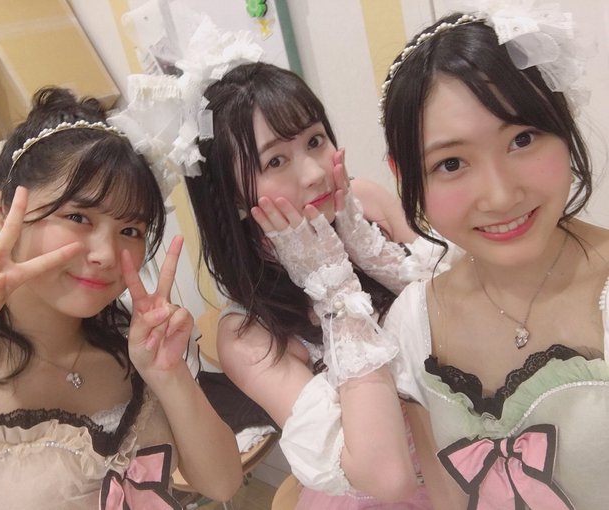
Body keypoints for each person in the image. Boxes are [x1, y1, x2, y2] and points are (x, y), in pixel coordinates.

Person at [0, 87, 242, 509]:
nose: (106, 255)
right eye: (78, 217)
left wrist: (170, 377)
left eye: (129, 230)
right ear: (0, 214)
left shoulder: (140, 338)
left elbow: (222, 485)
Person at [185, 61, 449, 509]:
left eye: (314, 140)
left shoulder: (366, 202)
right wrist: (332, 284)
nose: (313, 173)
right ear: (233, 196)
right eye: (275, 160)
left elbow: (458, 313)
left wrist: (369, 250)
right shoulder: (247, 335)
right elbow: (388, 476)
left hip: (469, 448)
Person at [379, 5, 609, 509]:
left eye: (522, 139)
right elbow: (444, 494)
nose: (501, 195)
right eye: (451, 163)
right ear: (405, 175)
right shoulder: (414, 324)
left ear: (563, 124)